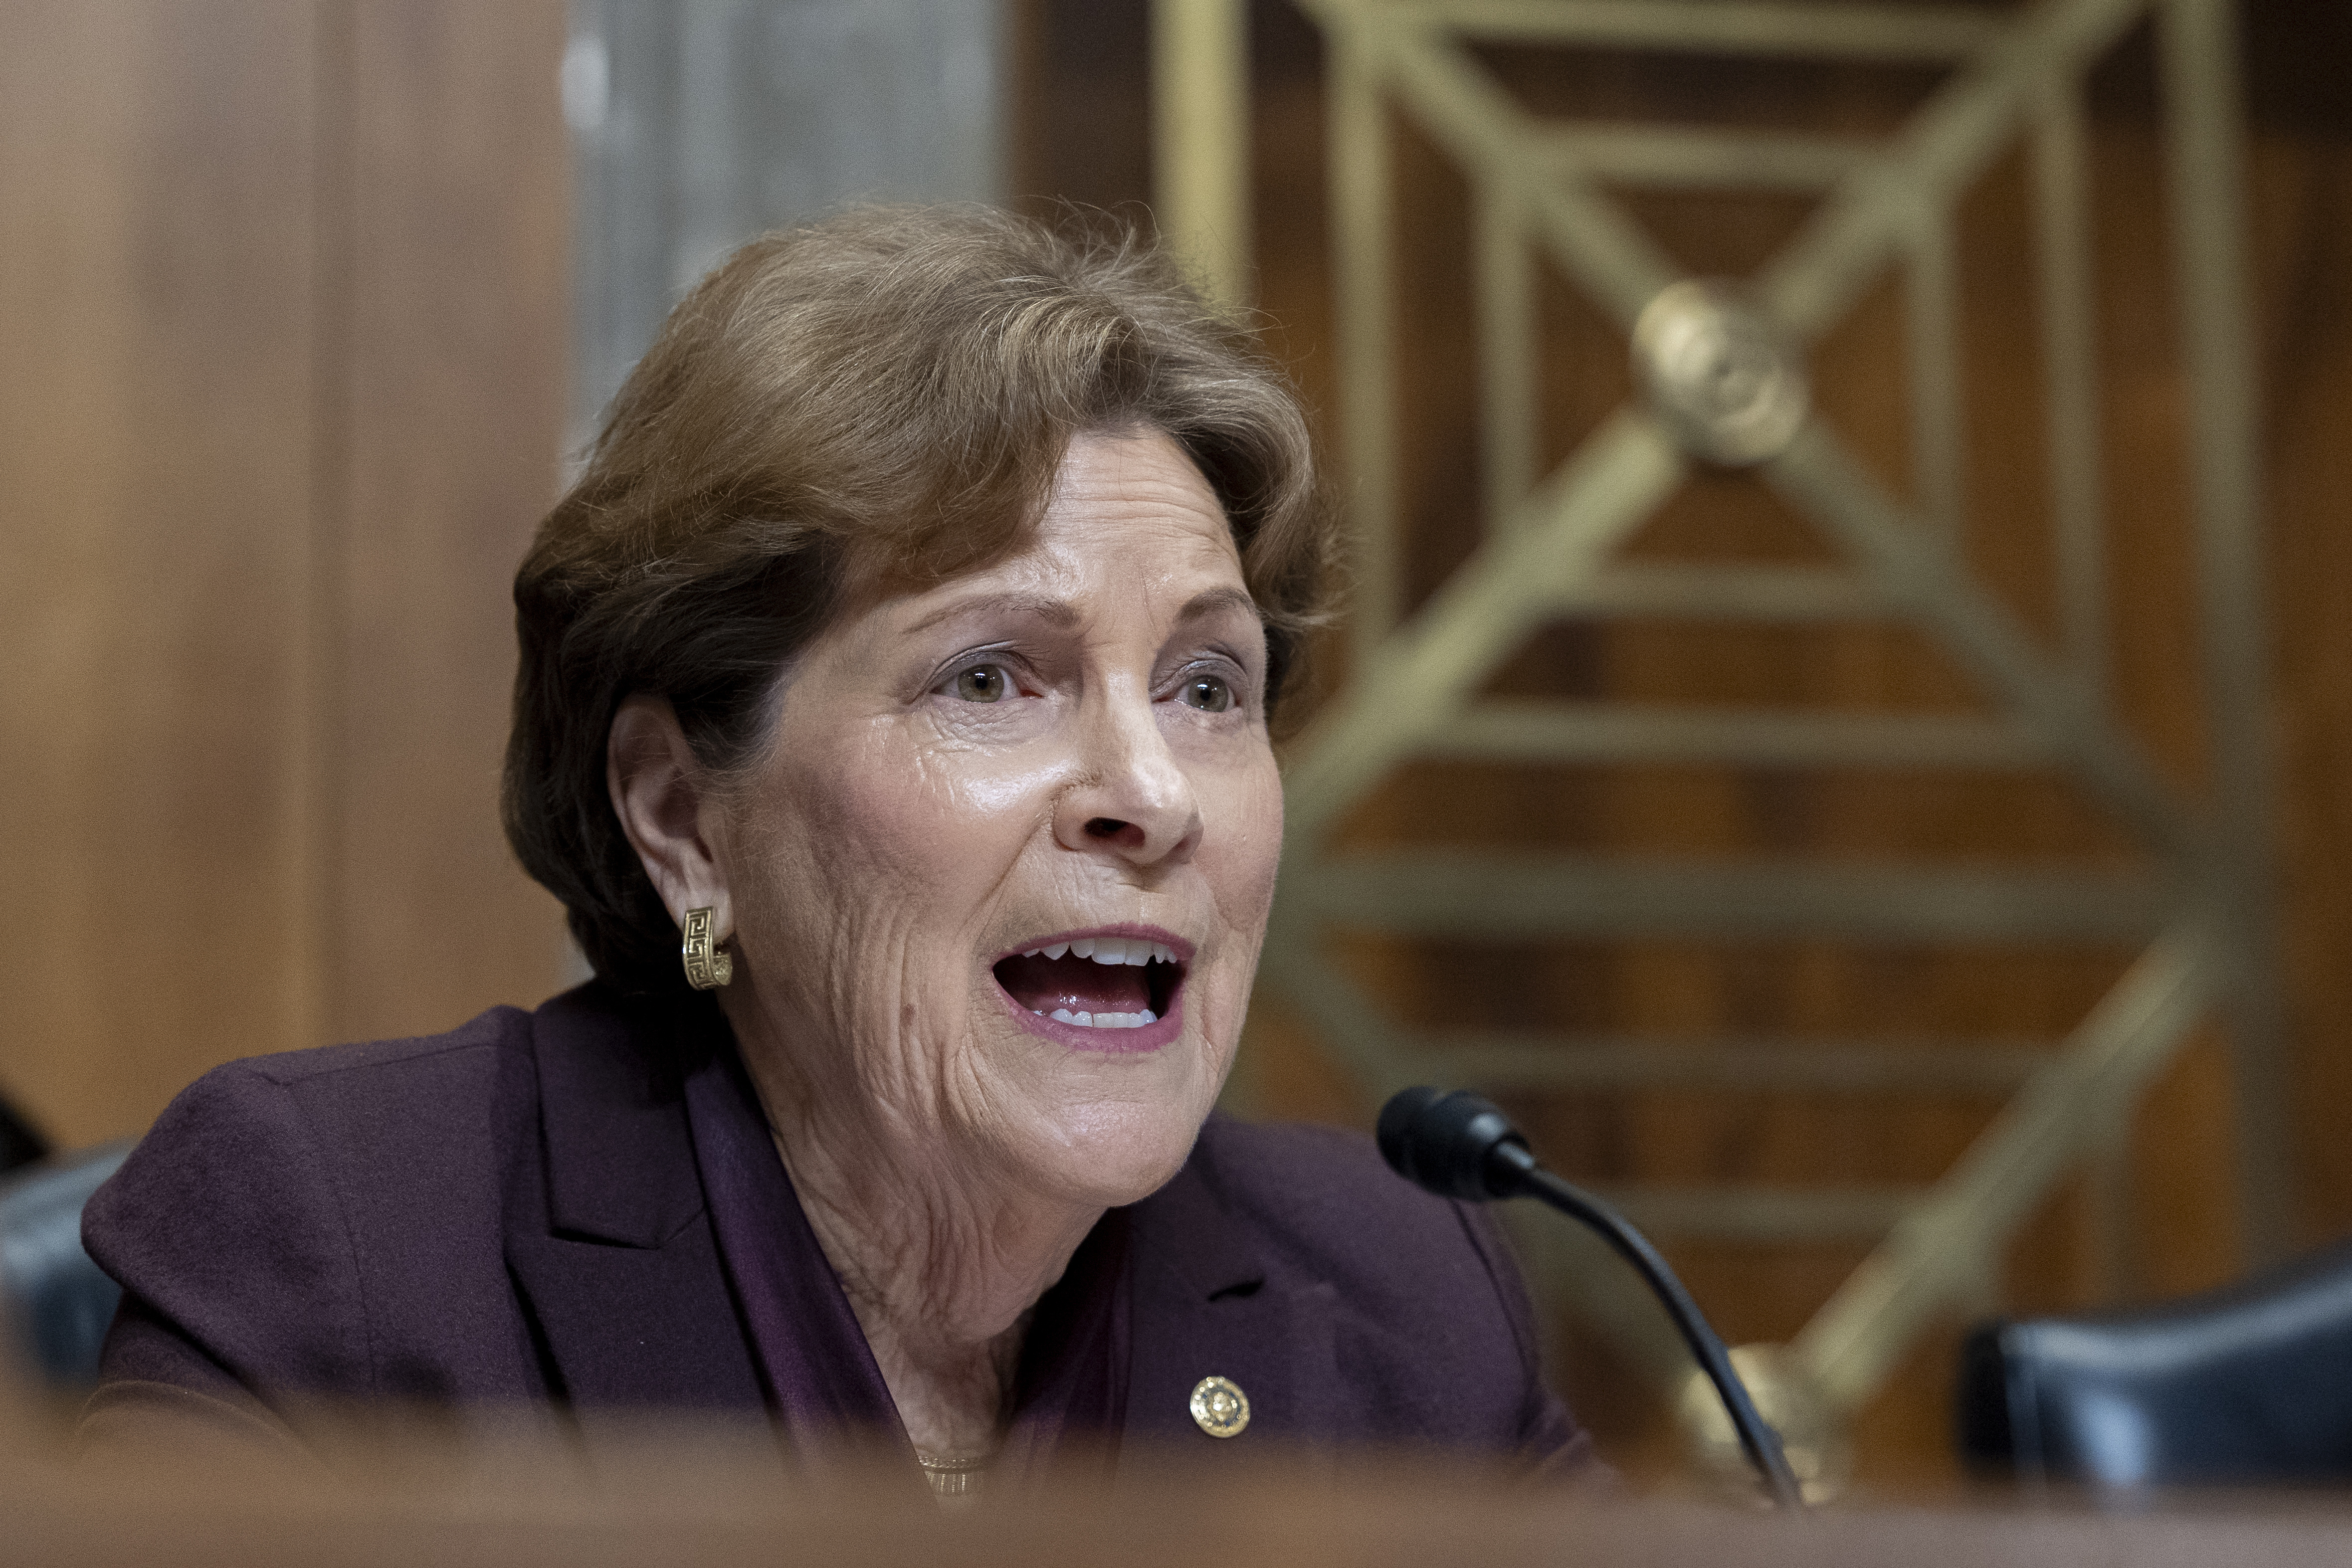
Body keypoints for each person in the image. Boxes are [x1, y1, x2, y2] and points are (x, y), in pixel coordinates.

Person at [79, 206, 1594, 1494]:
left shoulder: (1404, 1300)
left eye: (1207, 688)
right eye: (991, 677)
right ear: (680, 816)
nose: (1153, 792)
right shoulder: (338, 1253)